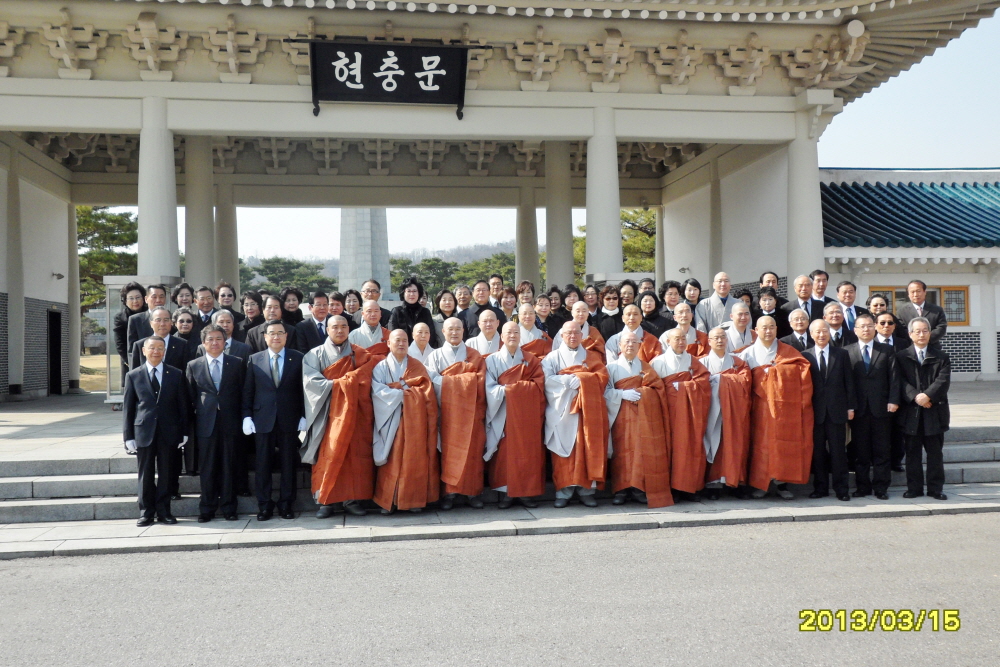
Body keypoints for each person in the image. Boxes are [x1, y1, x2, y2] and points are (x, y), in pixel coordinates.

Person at [301, 315, 377, 519]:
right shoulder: (314, 354)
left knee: (353, 457)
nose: (340, 330)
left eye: (344, 326)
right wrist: (342, 384)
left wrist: (345, 383)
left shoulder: (360, 354)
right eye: (335, 327)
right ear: (327, 329)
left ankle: (351, 500)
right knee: (328, 454)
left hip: (354, 413)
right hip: (327, 414)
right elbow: (311, 384)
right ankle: (325, 501)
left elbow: (366, 378)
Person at [737, 316, 813, 500]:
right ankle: (760, 484)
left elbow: (802, 370)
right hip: (758, 407)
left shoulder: (788, 351)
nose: (768, 331)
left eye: (772, 327)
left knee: (781, 445)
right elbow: (740, 379)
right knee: (760, 447)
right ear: (756, 330)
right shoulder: (747, 354)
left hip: (782, 407)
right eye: (764, 327)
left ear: (777, 329)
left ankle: (782, 484)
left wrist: (775, 372)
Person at [241, 319, 306, 521]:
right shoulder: (255, 359)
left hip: (289, 419)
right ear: (265, 337)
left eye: (280, 333)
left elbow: (303, 390)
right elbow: (248, 391)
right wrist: (247, 416)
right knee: (263, 465)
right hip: (262, 419)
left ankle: (286, 504)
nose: (276, 337)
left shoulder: (298, 358)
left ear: (286, 336)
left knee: (288, 464)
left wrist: (304, 415)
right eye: (272, 333)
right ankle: (264, 505)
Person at [122, 336, 189, 526]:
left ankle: (164, 511)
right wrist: (128, 436)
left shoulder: (176, 374)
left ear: (165, 351)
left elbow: (182, 405)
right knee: (145, 474)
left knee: (166, 474)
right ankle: (146, 512)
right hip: (144, 432)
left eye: (160, 348)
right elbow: (129, 408)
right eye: (152, 348)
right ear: (144, 351)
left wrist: (184, 431)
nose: (156, 351)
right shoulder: (133, 375)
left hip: (169, 431)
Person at [371, 329, 440, 514]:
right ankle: (389, 501)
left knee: (414, 459)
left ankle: (413, 500)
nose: (401, 343)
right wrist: (405, 392)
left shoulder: (417, 365)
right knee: (392, 460)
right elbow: (377, 392)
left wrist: (400, 390)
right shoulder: (381, 367)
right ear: (388, 343)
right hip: (390, 419)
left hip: (415, 420)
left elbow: (426, 390)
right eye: (397, 340)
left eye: (404, 340)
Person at [542, 322, 610, 508]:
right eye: (569, 333)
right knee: (564, 453)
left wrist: (583, 379)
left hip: (587, 412)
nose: (572, 336)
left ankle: (586, 491)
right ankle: (563, 491)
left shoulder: (591, 356)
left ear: (582, 336)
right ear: (562, 336)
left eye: (576, 333)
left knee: (587, 448)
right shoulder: (552, 357)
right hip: (562, 411)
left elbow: (603, 377)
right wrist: (565, 379)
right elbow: (545, 380)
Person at [605, 330, 673, 508]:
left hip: (642, 415)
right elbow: (604, 392)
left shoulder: (646, 367)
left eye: (634, 343)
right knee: (621, 452)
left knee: (639, 452)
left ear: (639, 346)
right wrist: (621, 394)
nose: (630, 345)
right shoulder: (611, 368)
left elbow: (658, 389)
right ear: (620, 345)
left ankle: (638, 489)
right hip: (620, 415)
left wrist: (644, 392)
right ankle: (620, 490)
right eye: (626, 342)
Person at [425, 318, 488, 510]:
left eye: (458, 329)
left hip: (471, 413)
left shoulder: (474, 356)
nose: (454, 332)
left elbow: (480, 381)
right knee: (448, 452)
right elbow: (430, 380)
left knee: (472, 452)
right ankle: (449, 493)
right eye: (450, 329)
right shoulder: (435, 356)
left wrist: (450, 380)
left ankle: (473, 492)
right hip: (446, 412)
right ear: (443, 332)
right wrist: (461, 381)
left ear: (463, 331)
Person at [185, 325, 244, 523]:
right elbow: (190, 396)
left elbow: (243, 392)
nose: (215, 342)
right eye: (210, 339)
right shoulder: (194, 365)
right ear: (203, 343)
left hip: (230, 421)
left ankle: (229, 507)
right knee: (207, 467)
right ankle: (207, 508)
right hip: (205, 423)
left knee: (229, 466)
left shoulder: (236, 363)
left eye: (219, 339)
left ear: (225, 342)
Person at [485, 322, 546, 509]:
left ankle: (526, 493)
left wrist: (514, 388)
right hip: (503, 412)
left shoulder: (531, 360)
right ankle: (506, 494)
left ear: (520, 336)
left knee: (527, 453)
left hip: (526, 415)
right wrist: (509, 390)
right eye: (508, 332)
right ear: (502, 337)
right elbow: (489, 388)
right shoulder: (491, 360)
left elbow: (539, 385)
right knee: (504, 454)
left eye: (516, 332)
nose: (512, 335)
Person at [651, 328, 711, 500]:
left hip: (689, 414)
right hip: (667, 413)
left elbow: (704, 383)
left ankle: (689, 487)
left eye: (683, 338)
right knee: (669, 449)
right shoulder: (658, 362)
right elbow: (653, 387)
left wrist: (685, 387)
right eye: (677, 339)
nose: (681, 342)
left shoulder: (693, 361)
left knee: (689, 447)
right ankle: (671, 488)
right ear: (668, 341)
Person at [846, 313, 900, 500]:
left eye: (869, 325)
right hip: (858, 409)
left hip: (882, 408)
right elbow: (846, 383)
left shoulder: (887, 350)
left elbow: (894, 378)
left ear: (875, 328)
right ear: (855, 330)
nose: (866, 329)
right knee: (860, 452)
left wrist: (893, 400)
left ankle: (881, 487)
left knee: (882, 451)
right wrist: (849, 406)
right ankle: (862, 487)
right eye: (862, 326)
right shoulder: (847, 352)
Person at [898, 317, 951, 500]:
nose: (921, 334)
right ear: (910, 334)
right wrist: (916, 396)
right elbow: (900, 381)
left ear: (930, 333)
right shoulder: (901, 357)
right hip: (911, 412)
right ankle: (914, 488)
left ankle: (936, 489)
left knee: (935, 453)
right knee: (912, 453)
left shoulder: (941, 357)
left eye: (925, 331)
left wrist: (928, 396)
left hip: (934, 411)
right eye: (917, 331)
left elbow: (943, 381)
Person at [803, 320, 856, 501]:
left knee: (838, 452)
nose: (821, 335)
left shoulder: (841, 354)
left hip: (837, 411)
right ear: (811, 334)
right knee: (818, 453)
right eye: (817, 332)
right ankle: (820, 488)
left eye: (824, 331)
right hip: (814, 413)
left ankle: (842, 489)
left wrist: (850, 407)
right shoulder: (805, 356)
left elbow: (849, 382)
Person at [701, 327, 753, 499]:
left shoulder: (737, 362)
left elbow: (746, 381)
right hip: (712, 410)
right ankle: (713, 483)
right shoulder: (702, 362)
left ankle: (735, 481)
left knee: (735, 443)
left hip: (734, 410)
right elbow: (698, 384)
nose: (720, 340)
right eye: (716, 338)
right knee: (713, 443)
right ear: (709, 341)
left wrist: (722, 379)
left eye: (723, 337)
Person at [130, 307, 189, 373]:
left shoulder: (182, 344)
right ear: (151, 323)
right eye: (158, 320)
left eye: (166, 320)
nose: (162, 324)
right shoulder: (140, 345)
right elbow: (134, 374)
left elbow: (186, 373)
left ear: (171, 323)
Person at [387, 277, 439, 347]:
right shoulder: (396, 312)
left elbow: (431, 335)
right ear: (403, 293)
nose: (412, 294)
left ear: (419, 293)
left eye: (414, 291)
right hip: (402, 350)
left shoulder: (425, 312)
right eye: (409, 291)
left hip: (423, 350)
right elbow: (392, 334)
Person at [896, 280, 948, 346]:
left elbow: (941, 328)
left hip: (932, 346)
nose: (915, 295)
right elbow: (901, 330)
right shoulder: (901, 311)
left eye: (918, 291)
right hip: (910, 347)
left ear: (925, 292)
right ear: (908, 294)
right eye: (912, 292)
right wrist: (915, 339)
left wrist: (926, 339)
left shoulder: (937, 310)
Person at [113, 282, 146, 380]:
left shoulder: (150, 314)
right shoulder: (120, 318)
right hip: (129, 360)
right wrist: (130, 361)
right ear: (125, 300)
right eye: (131, 298)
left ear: (144, 298)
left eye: (138, 297)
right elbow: (120, 343)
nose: (135, 301)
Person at [126, 283, 168, 357]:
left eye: (161, 297)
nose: (158, 300)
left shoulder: (171, 318)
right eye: (154, 297)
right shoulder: (135, 320)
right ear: (146, 299)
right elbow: (131, 350)